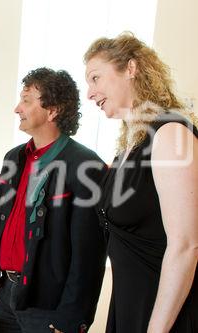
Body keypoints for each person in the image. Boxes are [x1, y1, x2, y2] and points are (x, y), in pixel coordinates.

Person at [0, 68, 107, 333]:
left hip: (50, 306)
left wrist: (71, 320)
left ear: (52, 110)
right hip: (5, 295)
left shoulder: (86, 165)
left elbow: (88, 257)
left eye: (26, 100)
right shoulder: (14, 157)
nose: (17, 108)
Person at [84, 32, 198, 332]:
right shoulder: (129, 145)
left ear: (130, 69)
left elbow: (186, 246)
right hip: (129, 306)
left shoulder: (171, 133)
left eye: (96, 78)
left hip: (165, 315)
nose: (89, 93)